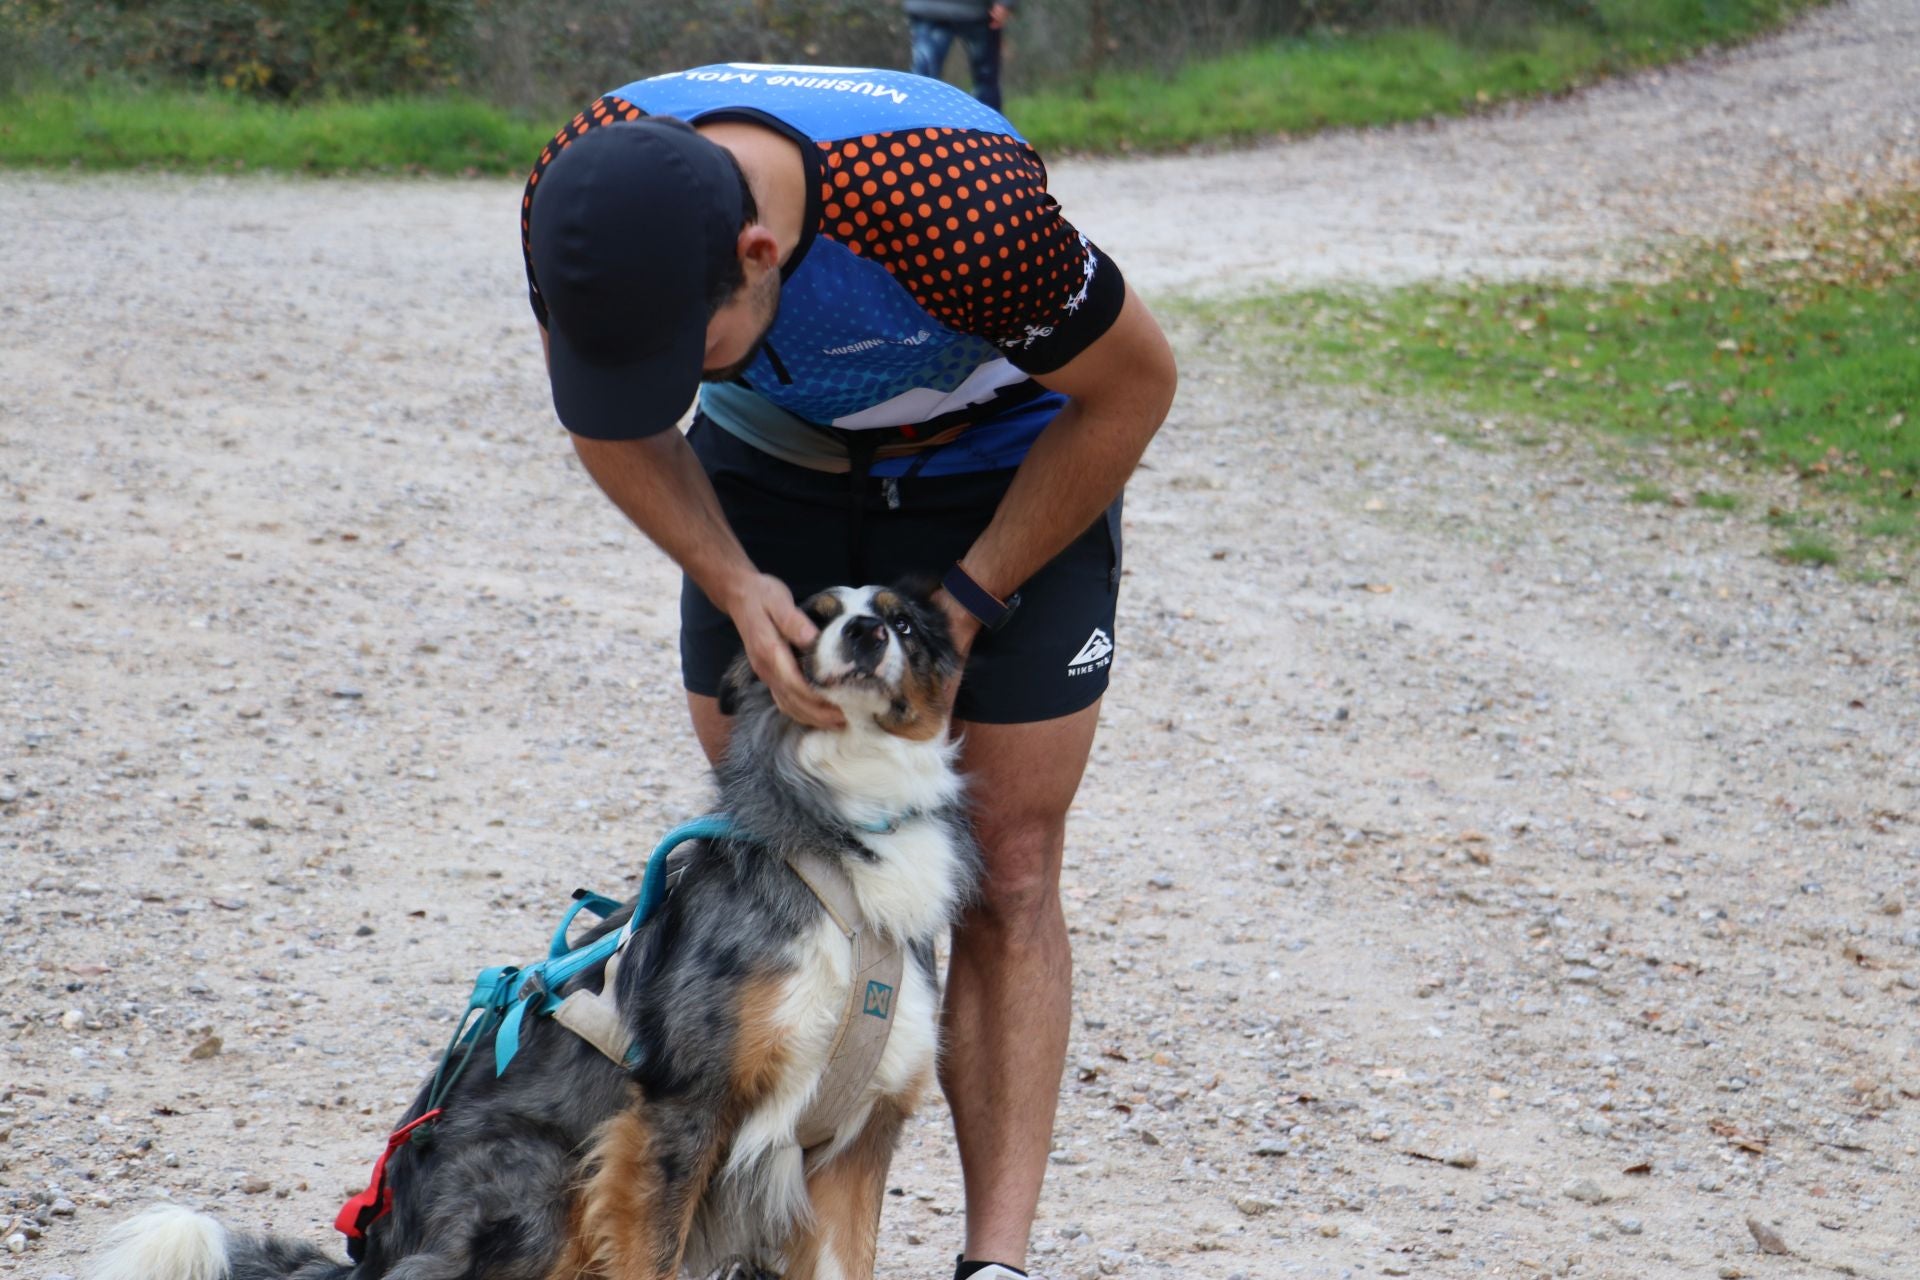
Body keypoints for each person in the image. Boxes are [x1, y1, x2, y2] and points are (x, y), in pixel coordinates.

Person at [519, 64, 1176, 1280]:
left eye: (687, 354)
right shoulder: (585, 190)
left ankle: (996, 1261)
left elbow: (1137, 387)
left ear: (760, 252)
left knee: (1010, 865)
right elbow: (610, 418)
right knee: (780, 853)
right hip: (776, 468)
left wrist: (972, 599)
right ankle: (765, 1247)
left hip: (1005, 450)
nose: (674, 382)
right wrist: (731, 577)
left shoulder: (951, 203)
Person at [906, 0, 1014, 110]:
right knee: (923, 82)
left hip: (974, 12)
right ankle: (988, 125)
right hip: (931, 10)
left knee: (922, 82)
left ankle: (916, 124)